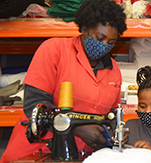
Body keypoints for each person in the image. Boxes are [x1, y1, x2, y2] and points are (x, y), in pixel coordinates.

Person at [0, 0, 127, 162]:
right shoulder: (54, 50)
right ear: (84, 28)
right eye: (99, 38)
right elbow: (34, 105)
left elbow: (112, 115)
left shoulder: (113, 69)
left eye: (111, 43)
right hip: (37, 151)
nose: (104, 46)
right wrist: (76, 128)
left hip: (81, 156)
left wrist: (115, 133)